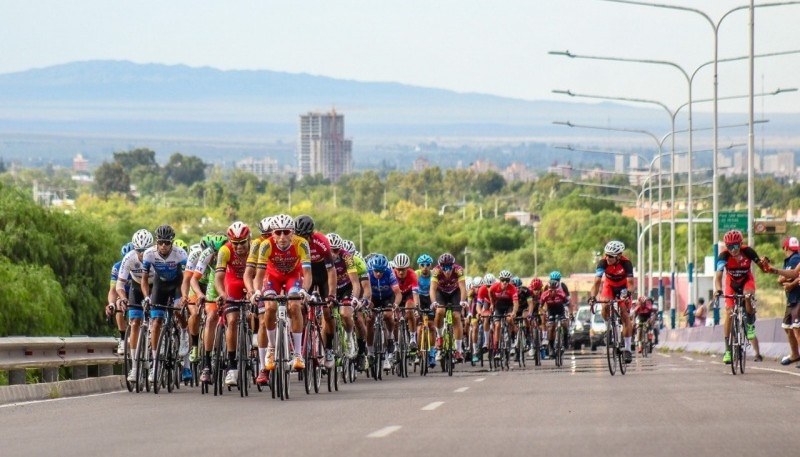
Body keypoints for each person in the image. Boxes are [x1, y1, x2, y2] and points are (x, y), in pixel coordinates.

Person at [714, 229, 770, 364]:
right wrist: (718, 290)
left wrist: (764, 263)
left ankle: (749, 325)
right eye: (730, 246)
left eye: (736, 246)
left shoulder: (748, 251)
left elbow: (764, 269)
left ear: (741, 243)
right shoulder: (723, 256)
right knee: (728, 313)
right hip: (731, 283)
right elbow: (718, 277)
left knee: (747, 295)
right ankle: (728, 350)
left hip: (746, 281)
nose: (733, 249)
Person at [589, 240, 635, 364]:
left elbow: (631, 284)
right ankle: (609, 325)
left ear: (619, 256)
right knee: (604, 304)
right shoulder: (603, 262)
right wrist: (593, 297)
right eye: (606, 255)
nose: (607, 258)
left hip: (623, 287)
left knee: (625, 315)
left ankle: (627, 349)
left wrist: (628, 293)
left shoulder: (626, 263)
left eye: (611, 256)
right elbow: (597, 282)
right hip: (609, 286)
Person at [777, 236, 800, 366]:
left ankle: (796, 354)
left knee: (796, 327)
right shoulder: (790, 259)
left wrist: (789, 283)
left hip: (797, 297)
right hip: (791, 298)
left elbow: (793, 275)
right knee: (787, 327)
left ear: (785, 248)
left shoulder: (794, 258)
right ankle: (795, 354)